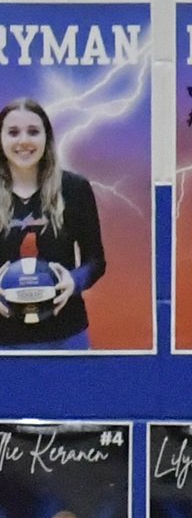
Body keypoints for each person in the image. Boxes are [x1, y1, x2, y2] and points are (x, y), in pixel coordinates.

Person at [0, 98, 107, 349]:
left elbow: (96, 260)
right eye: (13, 132)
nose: (24, 140)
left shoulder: (74, 188)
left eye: (33, 131)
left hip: (65, 335)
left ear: (46, 138)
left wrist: (74, 281)